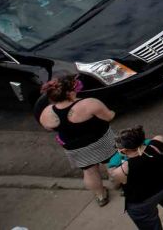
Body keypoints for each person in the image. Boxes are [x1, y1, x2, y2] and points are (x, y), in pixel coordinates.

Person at [38, 72, 117, 207]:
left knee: (89, 171)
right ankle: (120, 185)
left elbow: (48, 127)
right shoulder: (89, 103)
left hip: (74, 147)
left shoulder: (46, 112)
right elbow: (109, 116)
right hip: (100, 139)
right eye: (75, 88)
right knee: (112, 164)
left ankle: (100, 196)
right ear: (70, 93)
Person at [108, 125, 163, 230]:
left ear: (123, 151)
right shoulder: (156, 146)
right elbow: (160, 137)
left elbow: (116, 184)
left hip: (141, 200)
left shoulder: (122, 170)